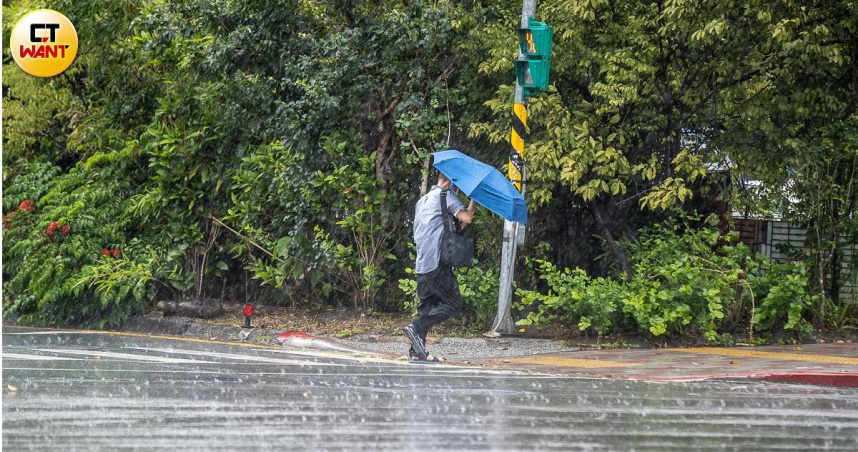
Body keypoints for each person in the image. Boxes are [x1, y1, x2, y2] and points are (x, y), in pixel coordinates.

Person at [403, 172, 476, 363]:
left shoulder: (423, 200)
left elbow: (440, 227)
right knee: (453, 303)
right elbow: (467, 217)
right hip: (437, 262)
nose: (458, 188)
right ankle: (416, 327)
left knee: (426, 307)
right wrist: (474, 198)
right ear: (450, 181)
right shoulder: (446, 196)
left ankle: (417, 352)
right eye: (457, 184)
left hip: (422, 262)